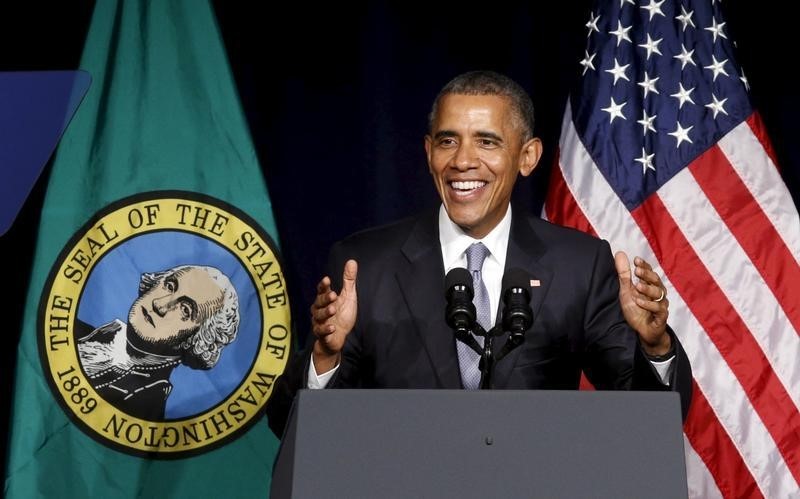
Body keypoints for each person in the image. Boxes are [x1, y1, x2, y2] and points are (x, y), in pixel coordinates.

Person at [266, 70, 691, 436]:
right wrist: (326, 358)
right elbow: (289, 425)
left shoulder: (578, 264)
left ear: (527, 157)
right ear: (429, 151)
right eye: (448, 141)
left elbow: (650, 418)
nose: (463, 161)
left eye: (487, 142)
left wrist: (655, 347)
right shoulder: (365, 265)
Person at [76, 264, 240, 420]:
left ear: (195, 340)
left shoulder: (141, 408)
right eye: (169, 286)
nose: (159, 305)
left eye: (185, 310)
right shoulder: (71, 330)